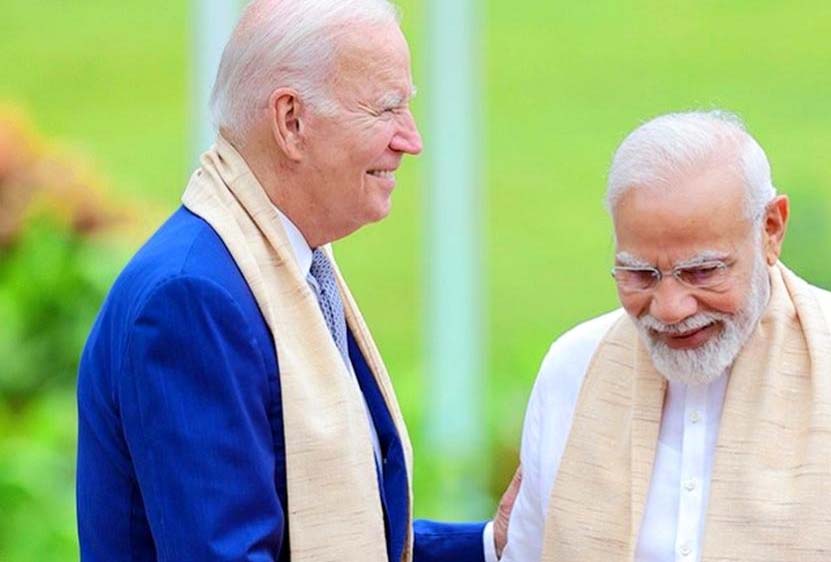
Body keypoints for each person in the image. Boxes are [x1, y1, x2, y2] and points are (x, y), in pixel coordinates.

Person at [76, 1, 513, 560]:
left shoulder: (284, 264)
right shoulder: (194, 298)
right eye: (387, 108)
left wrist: (491, 544)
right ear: (291, 122)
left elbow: (333, 533)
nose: (411, 139)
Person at [501, 110, 831, 561]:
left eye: (702, 272)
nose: (670, 308)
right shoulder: (573, 371)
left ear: (771, 229)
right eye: (640, 274)